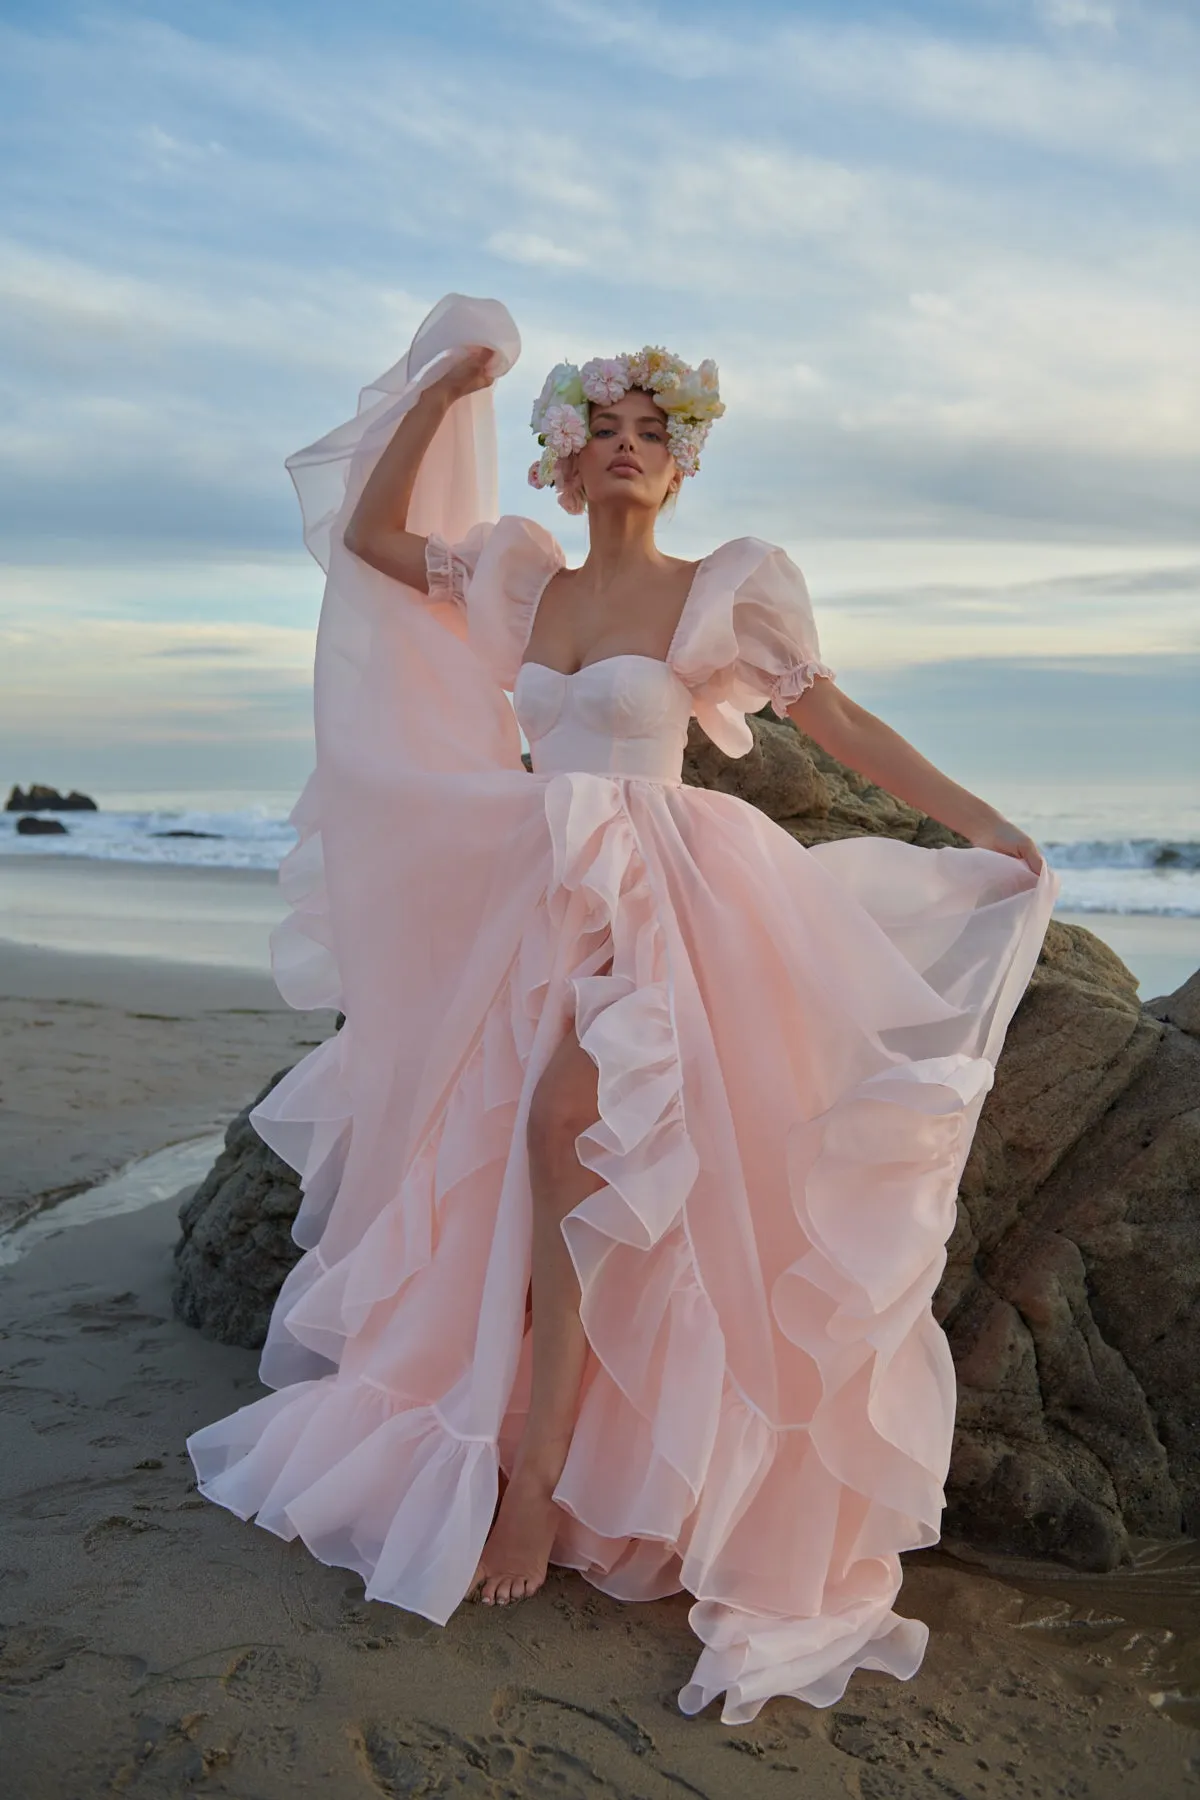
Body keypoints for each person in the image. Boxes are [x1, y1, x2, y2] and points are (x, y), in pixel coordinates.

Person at [186, 293, 1059, 1726]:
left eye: (656, 432)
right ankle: (542, 1444)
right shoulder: (526, 582)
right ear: (563, 463)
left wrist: (992, 828)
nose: (631, 450)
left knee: (573, 1128)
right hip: (532, 892)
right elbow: (371, 541)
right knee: (511, 1168)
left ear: (686, 461)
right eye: (605, 431)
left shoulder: (726, 587)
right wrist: (442, 390)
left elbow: (838, 724)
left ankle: (532, 1478)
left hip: (665, 893)